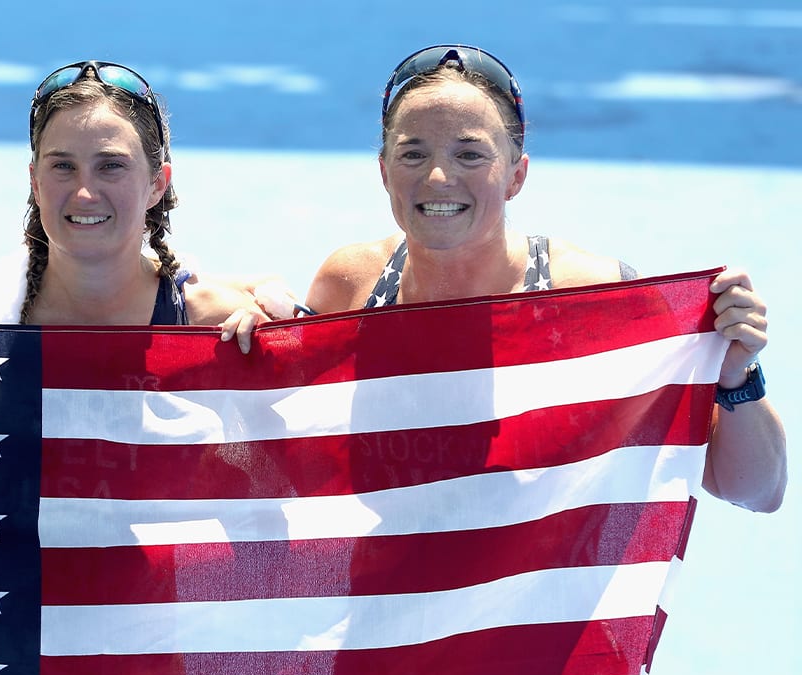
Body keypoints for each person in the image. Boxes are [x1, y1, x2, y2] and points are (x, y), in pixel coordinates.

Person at [301, 44, 786, 512]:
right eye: (413, 155)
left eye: (470, 154)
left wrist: (735, 377)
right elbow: (285, 451)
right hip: (389, 592)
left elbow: (753, 491)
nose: (438, 178)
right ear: (385, 172)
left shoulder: (595, 300)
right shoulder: (352, 287)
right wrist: (244, 345)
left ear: (516, 175)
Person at [0, 60, 264, 348]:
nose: (85, 194)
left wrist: (276, 348)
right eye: (63, 166)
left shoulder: (216, 326)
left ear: (157, 184)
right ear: (35, 183)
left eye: (111, 166)